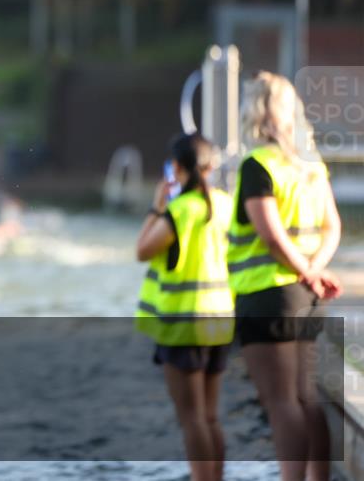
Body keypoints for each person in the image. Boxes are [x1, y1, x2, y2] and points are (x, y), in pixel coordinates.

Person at [227, 72, 341, 481]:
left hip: (267, 295)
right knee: (306, 398)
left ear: (254, 112)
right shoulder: (310, 166)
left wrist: (304, 270)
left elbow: (271, 238)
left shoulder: (257, 165)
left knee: (280, 402)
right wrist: (314, 271)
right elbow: (333, 227)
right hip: (307, 296)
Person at [135, 133, 234, 481]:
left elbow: (142, 250)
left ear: (176, 168)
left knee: (191, 418)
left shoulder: (179, 210)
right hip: (220, 321)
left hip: (183, 325)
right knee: (209, 416)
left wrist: (155, 207)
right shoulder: (226, 204)